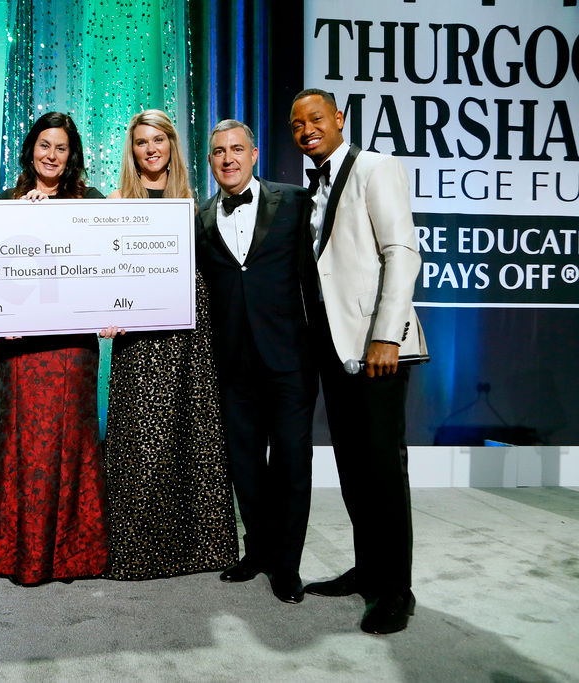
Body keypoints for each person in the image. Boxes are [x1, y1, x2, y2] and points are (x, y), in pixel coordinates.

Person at [289, 88, 427, 634]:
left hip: (378, 347)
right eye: (297, 125)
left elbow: (402, 251)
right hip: (333, 347)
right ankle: (369, 570)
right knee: (352, 469)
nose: (306, 130)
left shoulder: (375, 166)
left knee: (381, 472)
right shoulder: (313, 184)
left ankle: (397, 590)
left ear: (339, 119)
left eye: (316, 119)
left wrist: (386, 337)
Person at [99, 110, 239, 580]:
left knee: (192, 436)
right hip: (140, 342)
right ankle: (138, 553)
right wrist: (107, 315)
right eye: (142, 142)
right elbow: (105, 274)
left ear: (172, 146)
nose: (151, 148)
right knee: (141, 441)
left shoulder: (193, 203)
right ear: (132, 150)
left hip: (189, 334)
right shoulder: (117, 201)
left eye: (159, 139)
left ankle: (200, 551)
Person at [0, 111, 107, 585]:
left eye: (61, 148)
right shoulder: (3, 204)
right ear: (30, 148)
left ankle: (71, 555)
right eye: (44, 145)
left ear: (72, 156)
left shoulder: (90, 201)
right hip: (19, 350)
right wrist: (21, 222)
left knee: (70, 443)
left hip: (71, 350)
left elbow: (102, 270)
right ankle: (18, 554)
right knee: (18, 443)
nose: (51, 156)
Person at [194, 119, 316, 604]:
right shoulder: (199, 218)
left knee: (290, 465)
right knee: (244, 466)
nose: (228, 158)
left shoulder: (293, 202)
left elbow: (316, 276)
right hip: (232, 362)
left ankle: (287, 565)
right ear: (210, 160)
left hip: (289, 359)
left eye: (237, 149)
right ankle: (258, 551)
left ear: (255, 153)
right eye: (219, 151)